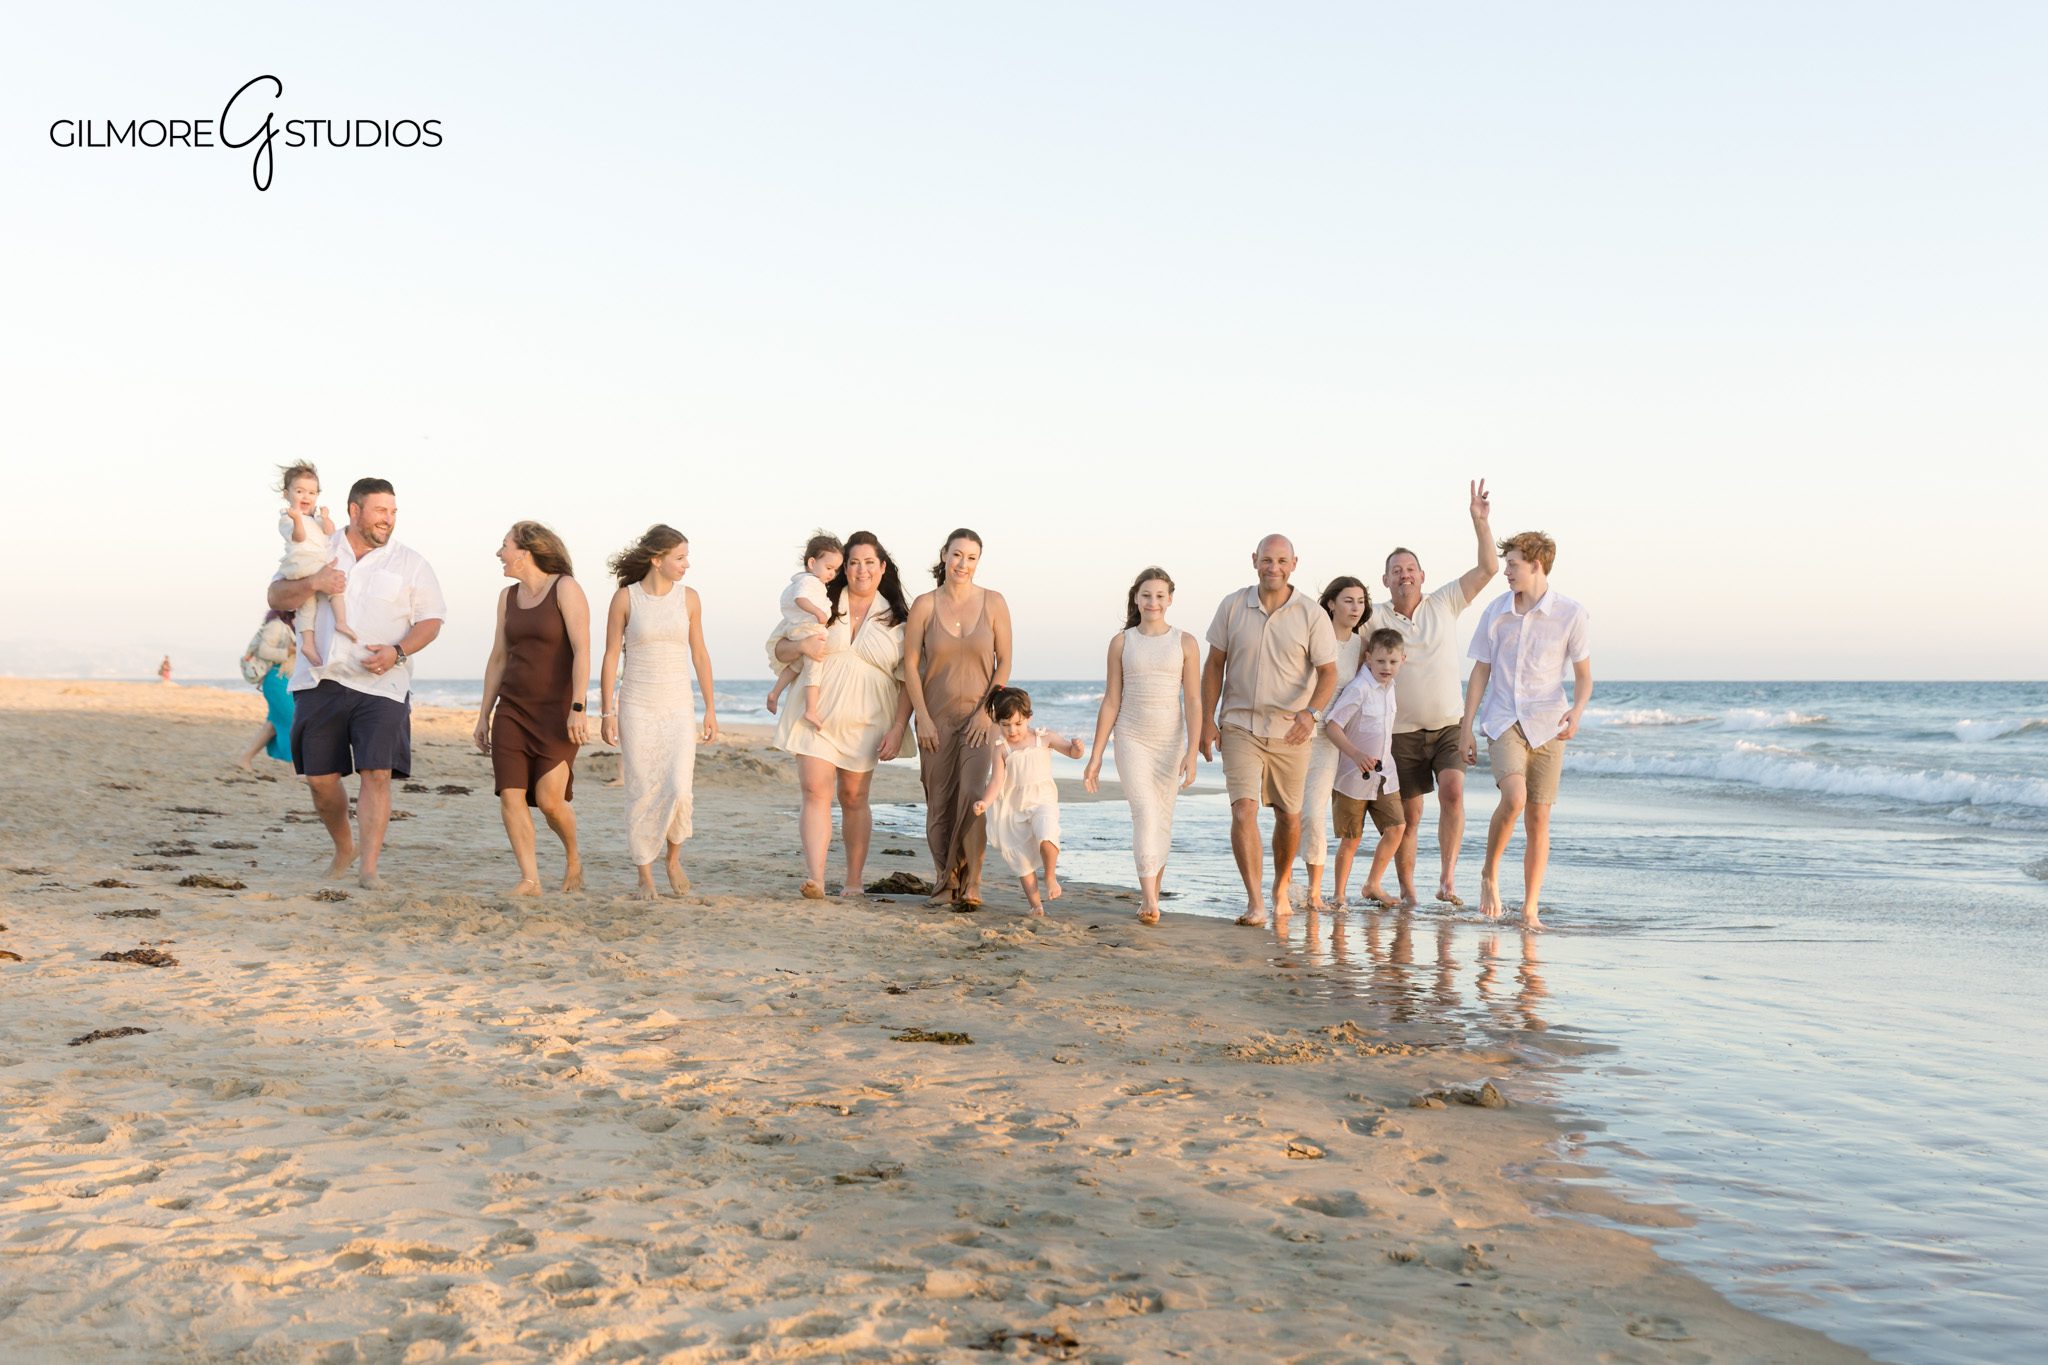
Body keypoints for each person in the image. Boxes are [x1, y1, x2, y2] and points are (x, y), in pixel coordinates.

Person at [266, 477, 445, 890]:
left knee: (377, 773)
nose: (389, 520)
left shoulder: (411, 563)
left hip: (384, 684)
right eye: (381, 510)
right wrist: (315, 583)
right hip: (320, 679)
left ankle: (369, 869)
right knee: (320, 779)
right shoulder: (318, 545)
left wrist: (398, 652)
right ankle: (344, 846)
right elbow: (276, 596)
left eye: (394, 512)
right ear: (354, 510)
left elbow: (432, 620)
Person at [1369, 479, 1499, 907]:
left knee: (1453, 792)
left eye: (1411, 569)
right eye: (1396, 571)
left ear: (1422, 576)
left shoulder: (1445, 601)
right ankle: (1407, 890)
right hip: (1400, 731)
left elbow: (1488, 570)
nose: (1405, 575)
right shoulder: (1375, 618)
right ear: (1385, 579)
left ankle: (1446, 880)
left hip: (1448, 724)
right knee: (1409, 815)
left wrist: (1480, 523)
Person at [1199, 534, 1338, 926]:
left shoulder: (1311, 614)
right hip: (1240, 722)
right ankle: (1255, 900)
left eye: (1280, 561)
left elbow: (1328, 672)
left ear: (1294, 563)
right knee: (1243, 809)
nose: (1272, 568)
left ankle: (1280, 886)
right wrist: (1207, 720)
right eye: (1266, 560)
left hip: (1292, 731)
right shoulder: (1232, 605)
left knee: (1289, 816)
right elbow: (1214, 665)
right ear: (1254, 560)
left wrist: (1311, 713)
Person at [1459, 530, 1592, 928]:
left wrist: (1578, 710)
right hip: (1503, 719)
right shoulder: (1496, 612)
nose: (1506, 572)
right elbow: (1480, 670)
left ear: (1536, 565)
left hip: (1548, 724)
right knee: (1514, 798)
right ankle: (1489, 874)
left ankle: (1531, 908)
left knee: (1539, 817)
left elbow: (1584, 676)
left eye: (1513, 564)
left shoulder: (1572, 614)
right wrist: (1467, 727)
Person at [772, 531, 913, 899]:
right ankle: (816, 879)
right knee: (814, 791)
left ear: (882, 567)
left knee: (853, 797)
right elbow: (782, 649)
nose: (861, 570)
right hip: (814, 710)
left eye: (869, 562)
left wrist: (899, 727)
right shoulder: (820, 600)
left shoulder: (899, 619)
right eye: (853, 562)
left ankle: (853, 881)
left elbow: (907, 681)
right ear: (844, 568)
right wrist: (801, 644)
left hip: (867, 720)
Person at [599, 525, 719, 902]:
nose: (687, 564)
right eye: (680, 557)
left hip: (678, 706)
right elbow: (610, 656)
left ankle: (672, 859)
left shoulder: (690, 599)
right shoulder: (625, 599)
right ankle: (645, 875)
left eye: (686, 556)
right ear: (657, 559)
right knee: (642, 789)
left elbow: (699, 654)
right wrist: (606, 712)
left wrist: (710, 708)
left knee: (679, 788)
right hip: (636, 705)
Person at [475, 522, 591, 897]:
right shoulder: (506, 597)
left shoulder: (565, 588)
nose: (499, 553)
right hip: (513, 709)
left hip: (557, 712)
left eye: (504, 546)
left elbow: (583, 651)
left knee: (549, 801)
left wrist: (578, 707)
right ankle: (530, 879)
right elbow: (497, 658)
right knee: (510, 794)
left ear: (525, 552)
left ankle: (573, 856)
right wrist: (484, 714)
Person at [1083, 567, 1201, 925]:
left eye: (1160, 596)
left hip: (1170, 740)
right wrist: (1095, 756)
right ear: (1136, 598)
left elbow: (1194, 701)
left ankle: (1148, 895)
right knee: (1146, 813)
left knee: (1162, 818)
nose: (1153, 602)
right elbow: (1111, 700)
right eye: (1146, 595)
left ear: (1170, 600)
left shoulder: (1186, 642)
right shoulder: (1122, 642)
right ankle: (1150, 898)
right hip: (1131, 736)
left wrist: (1191, 751)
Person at [903, 528, 1013, 910]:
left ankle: (974, 882)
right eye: (957, 555)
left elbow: (1005, 665)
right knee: (939, 802)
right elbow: (911, 667)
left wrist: (988, 712)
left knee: (973, 795)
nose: (963, 564)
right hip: (936, 718)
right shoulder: (925, 605)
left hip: (982, 719)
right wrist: (923, 718)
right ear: (944, 556)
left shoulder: (994, 603)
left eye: (971, 558)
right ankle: (944, 880)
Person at [973, 687, 1085, 916]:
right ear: (998, 723)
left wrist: (1077, 750)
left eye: (1017, 724)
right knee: (1022, 860)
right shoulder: (1001, 749)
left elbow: (1071, 753)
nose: (1012, 730)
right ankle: (1036, 905)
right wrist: (984, 802)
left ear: (1028, 718)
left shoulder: (1044, 738)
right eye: (1005, 725)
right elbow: (996, 782)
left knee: (1047, 833)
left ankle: (1051, 877)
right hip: (1015, 808)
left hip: (1042, 801)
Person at [1299, 576, 1371, 910]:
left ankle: (1314, 892)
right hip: (1295, 730)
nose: (1355, 608)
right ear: (1330, 603)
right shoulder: (1312, 633)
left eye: (1360, 601)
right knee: (1290, 813)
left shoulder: (1361, 644)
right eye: (1348, 600)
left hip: (1330, 739)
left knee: (1314, 814)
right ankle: (1284, 883)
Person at [1322, 628, 1408, 908]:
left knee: (1397, 827)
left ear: (1402, 661)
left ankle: (1372, 884)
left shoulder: (1390, 687)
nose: (1387, 668)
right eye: (1381, 661)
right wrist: (1356, 754)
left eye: (1393, 662)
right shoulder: (1359, 689)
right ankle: (1338, 896)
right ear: (1368, 658)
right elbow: (1332, 725)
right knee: (1351, 839)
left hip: (1384, 774)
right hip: (1352, 776)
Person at [274, 462, 355, 669]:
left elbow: (330, 533)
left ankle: (308, 644)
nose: (305, 497)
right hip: (302, 563)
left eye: (311, 492)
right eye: (299, 491)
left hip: (311, 565)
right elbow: (298, 538)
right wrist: (297, 519)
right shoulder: (287, 518)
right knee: (335, 587)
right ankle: (341, 621)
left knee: (307, 607)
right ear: (286, 493)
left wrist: (326, 518)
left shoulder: (315, 519)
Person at [764, 532, 845, 727]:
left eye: (836, 569)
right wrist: (818, 612)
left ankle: (775, 692)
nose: (832, 574)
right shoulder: (809, 582)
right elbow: (800, 599)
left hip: (800, 628)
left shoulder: (804, 580)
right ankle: (811, 710)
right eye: (829, 567)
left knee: (798, 665)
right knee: (814, 667)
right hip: (807, 629)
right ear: (811, 563)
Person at [235, 611, 297, 770]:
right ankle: (296, 767)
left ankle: (245, 758)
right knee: (291, 721)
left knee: (273, 725)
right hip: (277, 680)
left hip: (286, 679)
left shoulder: (292, 625)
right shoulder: (276, 625)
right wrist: (288, 652)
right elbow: (264, 651)